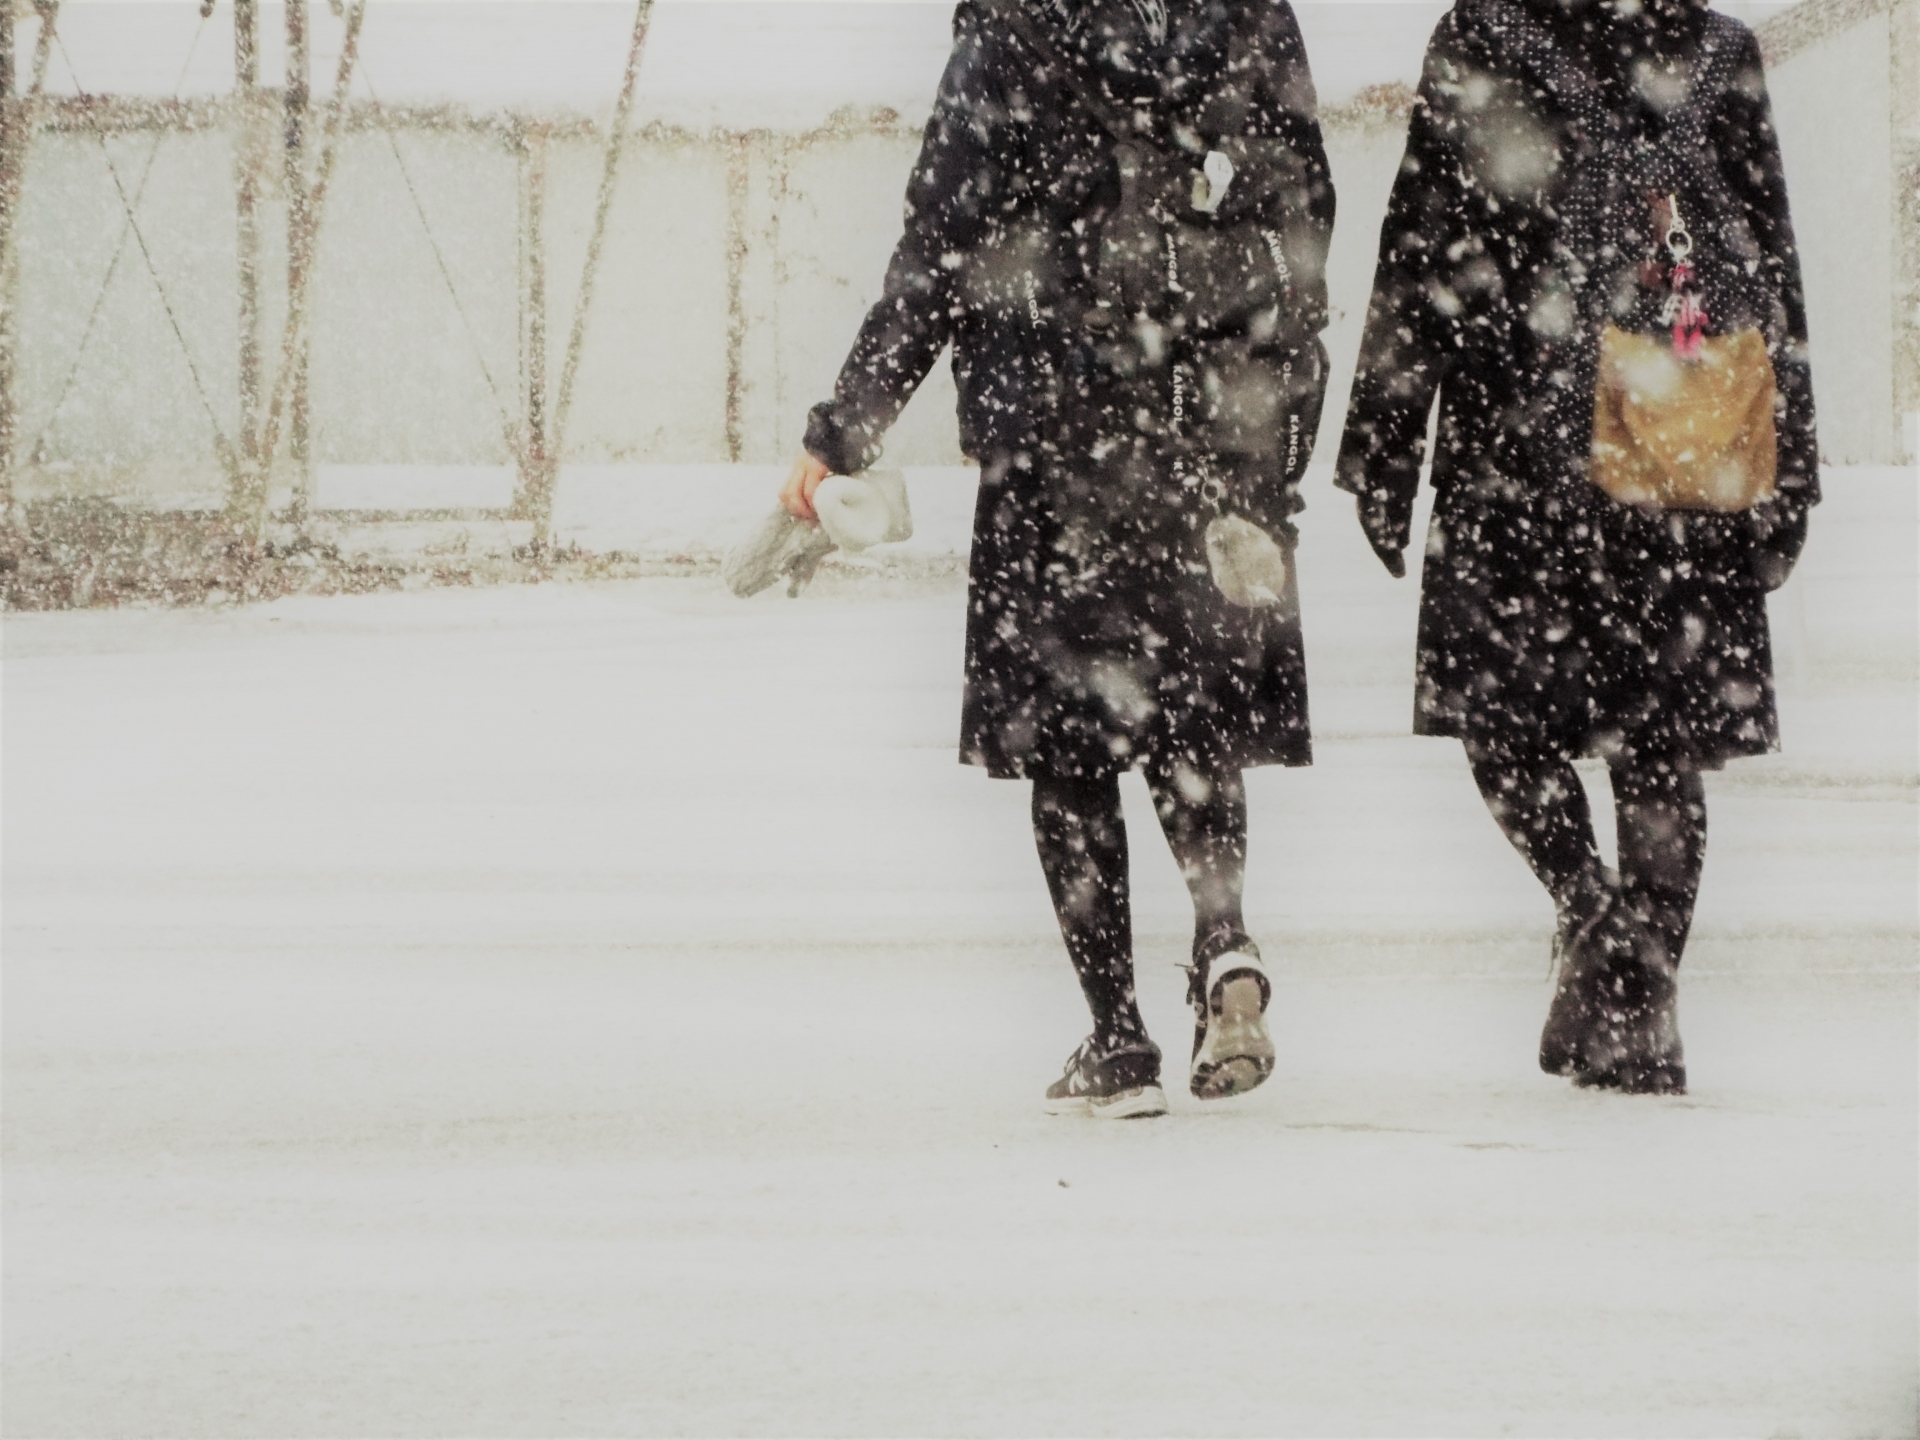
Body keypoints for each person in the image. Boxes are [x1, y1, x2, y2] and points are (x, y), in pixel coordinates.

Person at [780, 0, 1335, 1117]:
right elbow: (1302, 222)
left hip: (1055, 448)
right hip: (1201, 445)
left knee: (1070, 755)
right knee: (1190, 720)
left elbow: (937, 249)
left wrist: (844, 428)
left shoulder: (1018, 29)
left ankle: (1117, 1036)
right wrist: (1265, 434)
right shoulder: (1244, 19)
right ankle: (1223, 937)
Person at [1335, 0, 1817, 1094]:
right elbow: (1773, 274)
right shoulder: (1713, 51)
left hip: (1521, 461)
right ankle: (1639, 993)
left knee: (1504, 726)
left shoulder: (1486, 36)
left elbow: (1421, 252)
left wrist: (1383, 450)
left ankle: (1599, 925)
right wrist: (1791, 467)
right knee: (1659, 752)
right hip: (1682, 459)